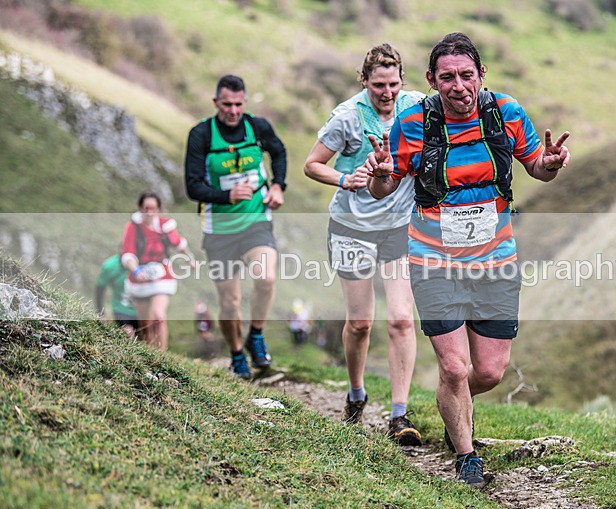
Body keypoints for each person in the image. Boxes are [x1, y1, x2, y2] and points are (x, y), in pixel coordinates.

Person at [365, 33, 571, 487]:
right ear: (431, 80)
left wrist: (551, 163)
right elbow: (384, 184)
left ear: (481, 75)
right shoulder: (414, 122)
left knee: (490, 372)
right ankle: (466, 456)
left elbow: (536, 166)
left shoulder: (506, 113)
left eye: (466, 75)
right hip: (433, 258)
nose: (458, 86)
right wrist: (379, 177)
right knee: (455, 367)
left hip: (495, 259)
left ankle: (450, 403)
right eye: (447, 78)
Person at [303, 44, 424, 445]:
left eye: (392, 84)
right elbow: (312, 163)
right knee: (359, 323)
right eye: (377, 85)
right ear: (363, 81)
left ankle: (399, 415)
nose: (386, 93)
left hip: (400, 228)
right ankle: (356, 394)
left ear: (402, 80)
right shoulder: (347, 116)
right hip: (351, 226)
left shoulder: (418, 108)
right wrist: (344, 179)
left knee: (402, 319)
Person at [185, 74, 287, 379]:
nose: (233, 111)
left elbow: (279, 153)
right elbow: (192, 187)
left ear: (245, 101)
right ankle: (236, 353)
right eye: (227, 104)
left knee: (266, 277)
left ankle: (256, 334)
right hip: (219, 229)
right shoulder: (201, 135)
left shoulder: (258, 127)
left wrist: (279, 186)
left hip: (256, 219)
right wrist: (226, 195)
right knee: (229, 302)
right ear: (216, 102)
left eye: (238, 104)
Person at [121, 192, 195, 351]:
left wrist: (190, 258)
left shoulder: (165, 226)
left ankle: (162, 355)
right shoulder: (133, 227)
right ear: (141, 208)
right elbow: (128, 254)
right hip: (140, 278)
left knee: (158, 316)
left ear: (158, 209)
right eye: (146, 208)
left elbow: (179, 243)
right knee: (145, 324)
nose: (149, 212)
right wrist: (135, 271)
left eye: (153, 208)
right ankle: (150, 353)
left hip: (162, 275)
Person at [95, 247, 138, 338]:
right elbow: (99, 290)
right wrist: (101, 314)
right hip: (121, 309)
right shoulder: (109, 266)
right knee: (128, 332)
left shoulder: (146, 262)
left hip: (141, 310)